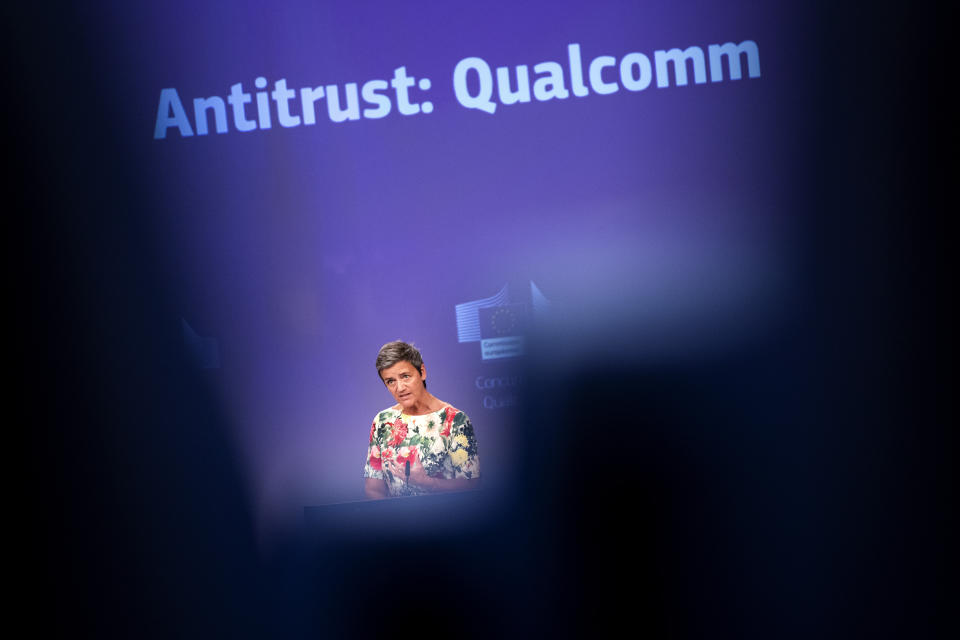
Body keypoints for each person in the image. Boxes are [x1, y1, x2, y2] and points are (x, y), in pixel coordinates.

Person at [363, 341, 480, 499]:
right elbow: (374, 489)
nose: (400, 388)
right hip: (396, 521)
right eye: (391, 381)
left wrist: (427, 482)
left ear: (422, 372)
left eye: (405, 376)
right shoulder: (383, 421)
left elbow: (470, 486)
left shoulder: (454, 420)